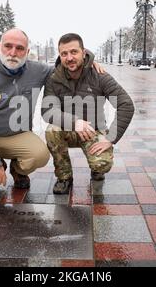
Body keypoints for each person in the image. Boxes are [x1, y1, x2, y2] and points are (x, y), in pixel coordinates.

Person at [0, 29, 104, 192]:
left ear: (27, 52)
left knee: (40, 155)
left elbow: (67, 64)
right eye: (8, 46)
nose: (13, 52)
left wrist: (87, 62)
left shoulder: (38, 71)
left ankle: (18, 171)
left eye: (20, 48)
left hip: (19, 134)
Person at [42, 33, 135, 195]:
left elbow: (126, 104)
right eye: (64, 54)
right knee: (52, 130)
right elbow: (48, 110)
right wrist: (75, 122)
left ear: (83, 53)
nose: (69, 58)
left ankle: (96, 169)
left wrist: (111, 138)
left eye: (74, 52)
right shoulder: (54, 78)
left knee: (102, 164)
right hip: (69, 129)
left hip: (93, 130)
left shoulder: (99, 75)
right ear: (60, 55)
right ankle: (64, 177)